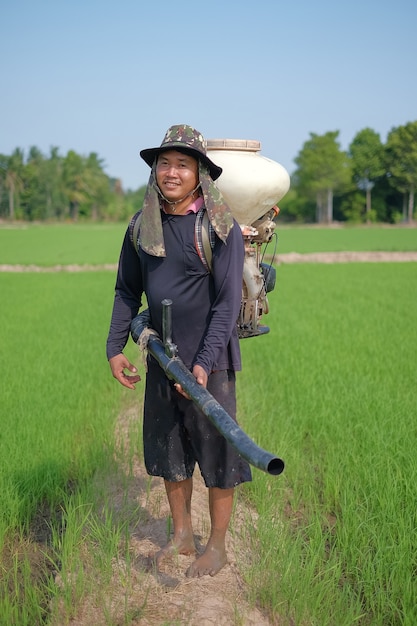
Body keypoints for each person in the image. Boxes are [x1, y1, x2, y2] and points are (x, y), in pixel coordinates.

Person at [106, 124, 252, 578]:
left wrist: (204, 365)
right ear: (155, 171)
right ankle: (183, 534)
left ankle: (218, 546)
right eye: (164, 164)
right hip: (161, 357)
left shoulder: (219, 227)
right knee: (170, 451)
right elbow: (126, 291)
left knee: (219, 455)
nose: (171, 172)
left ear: (200, 174)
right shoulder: (140, 227)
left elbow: (228, 305)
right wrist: (115, 347)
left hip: (212, 360)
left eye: (182, 165)